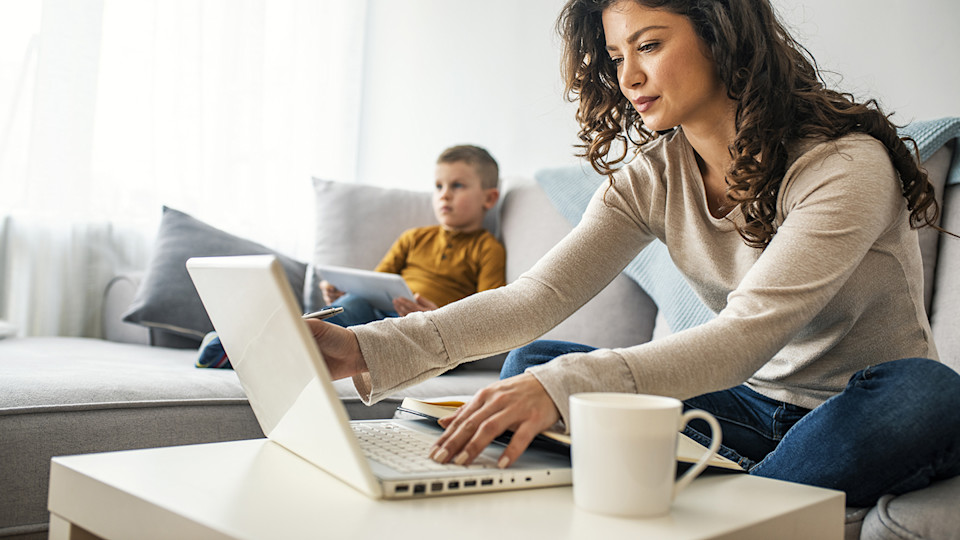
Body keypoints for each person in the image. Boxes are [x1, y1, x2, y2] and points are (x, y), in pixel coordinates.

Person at [306, 0, 960, 507]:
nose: (630, 77)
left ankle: (738, 500)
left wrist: (559, 390)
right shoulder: (653, 176)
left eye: (649, 45)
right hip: (749, 409)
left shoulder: (843, 165)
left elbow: (745, 336)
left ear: (722, 34)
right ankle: (745, 488)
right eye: (618, 56)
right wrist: (366, 347)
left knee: (926, 395)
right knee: (534, 362)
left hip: (862, 406)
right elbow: (539, 298)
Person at [319, 144, 506, 327]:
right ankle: (316, 331)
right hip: (378, 312)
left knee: (408, 330)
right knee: (353, 303)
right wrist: (343, 292)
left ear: (489, 198)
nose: (444, 195)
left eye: (457, 185)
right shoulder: (414, 237)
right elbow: (375, 284)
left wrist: (439, 319)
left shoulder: (488, 249)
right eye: (439, 186)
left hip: (427, 327)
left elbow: (488, 314)